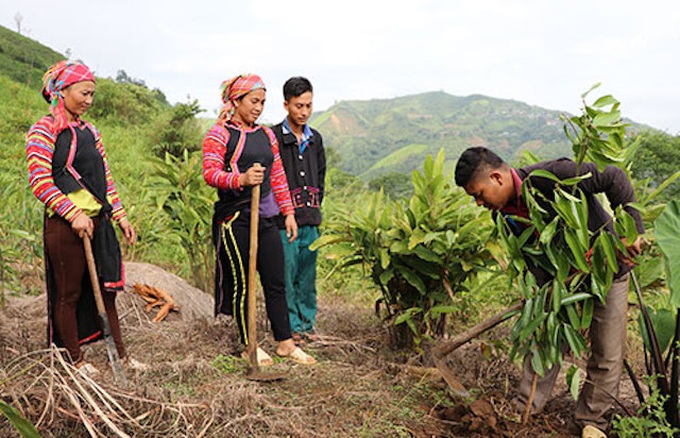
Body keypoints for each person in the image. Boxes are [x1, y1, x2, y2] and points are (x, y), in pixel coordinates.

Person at [454, 147, 644, 438]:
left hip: (609, 270)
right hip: (561, 284)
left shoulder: (553, 177)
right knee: (545, 341)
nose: (479, 203)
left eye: (478, 194)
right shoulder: (504, 218)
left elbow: (614, 177)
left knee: (606, 353)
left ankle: (591, 423)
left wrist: (630, 232)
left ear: (496, 177)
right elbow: (533, 255)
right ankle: (525, 409)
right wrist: (537, 291)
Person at [26, 60, 137, 375]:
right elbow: (40, 181)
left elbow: (105, 178)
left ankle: (122, 357)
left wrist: (120, 215)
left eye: (92, 94)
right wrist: (72, 213)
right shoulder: (43, 130)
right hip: (64, 227)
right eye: (83, 93)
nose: (88, 100)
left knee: (107, 292)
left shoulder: (91, 131)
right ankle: (75, 361)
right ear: (62, 91)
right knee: (69, 293)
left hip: (97, 223)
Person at [202, 73, 316, 365]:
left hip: (265, 217)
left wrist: (288, 212)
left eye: (262, 102)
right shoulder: (219, 134)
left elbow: (277, 175)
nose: (258, 107)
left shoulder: (266, 135)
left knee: (276, 281)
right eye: (253, 101)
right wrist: (240, 178)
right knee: (242, 283)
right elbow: (210, 173)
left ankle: (285, 342)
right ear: (236, 100)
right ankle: (247, 342)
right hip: (234, 218)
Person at [271, 77, 326, 346]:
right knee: (287, 273)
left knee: (307, 275)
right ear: (286, 105)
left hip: (310, 219)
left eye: (308, 105)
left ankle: (307, 324)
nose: (304, 112)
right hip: (284, 222)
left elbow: (321, 175)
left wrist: (316, 207)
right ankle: (290, 326)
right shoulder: (274, 138)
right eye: (298, 106)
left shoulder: (315, 139)